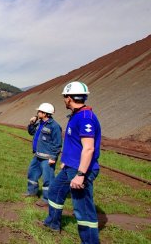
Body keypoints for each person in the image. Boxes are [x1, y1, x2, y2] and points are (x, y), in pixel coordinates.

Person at [42, 81, 101, 244]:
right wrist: (66, 162)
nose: (64, 100)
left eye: (64, 97)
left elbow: (88, 148)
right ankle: (53, 223)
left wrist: (81, 175)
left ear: (69, 98)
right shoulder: (77, 115)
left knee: (83, 210)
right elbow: (75, 143)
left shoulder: (85, 118)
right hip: (70, 167)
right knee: (54, 191)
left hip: (80, 170)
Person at [24, 103, 62, 207]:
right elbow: (31, 132)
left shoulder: (54, 126)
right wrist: (32, 123)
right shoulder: (39, 123)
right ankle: (31, 192)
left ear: (45, 113)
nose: (37, 113)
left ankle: (46, 199)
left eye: (39, 112)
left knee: (48, 179)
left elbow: (57, 144)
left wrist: (53, 157)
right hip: (37, 155)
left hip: (47, 158)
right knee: (32, 174)